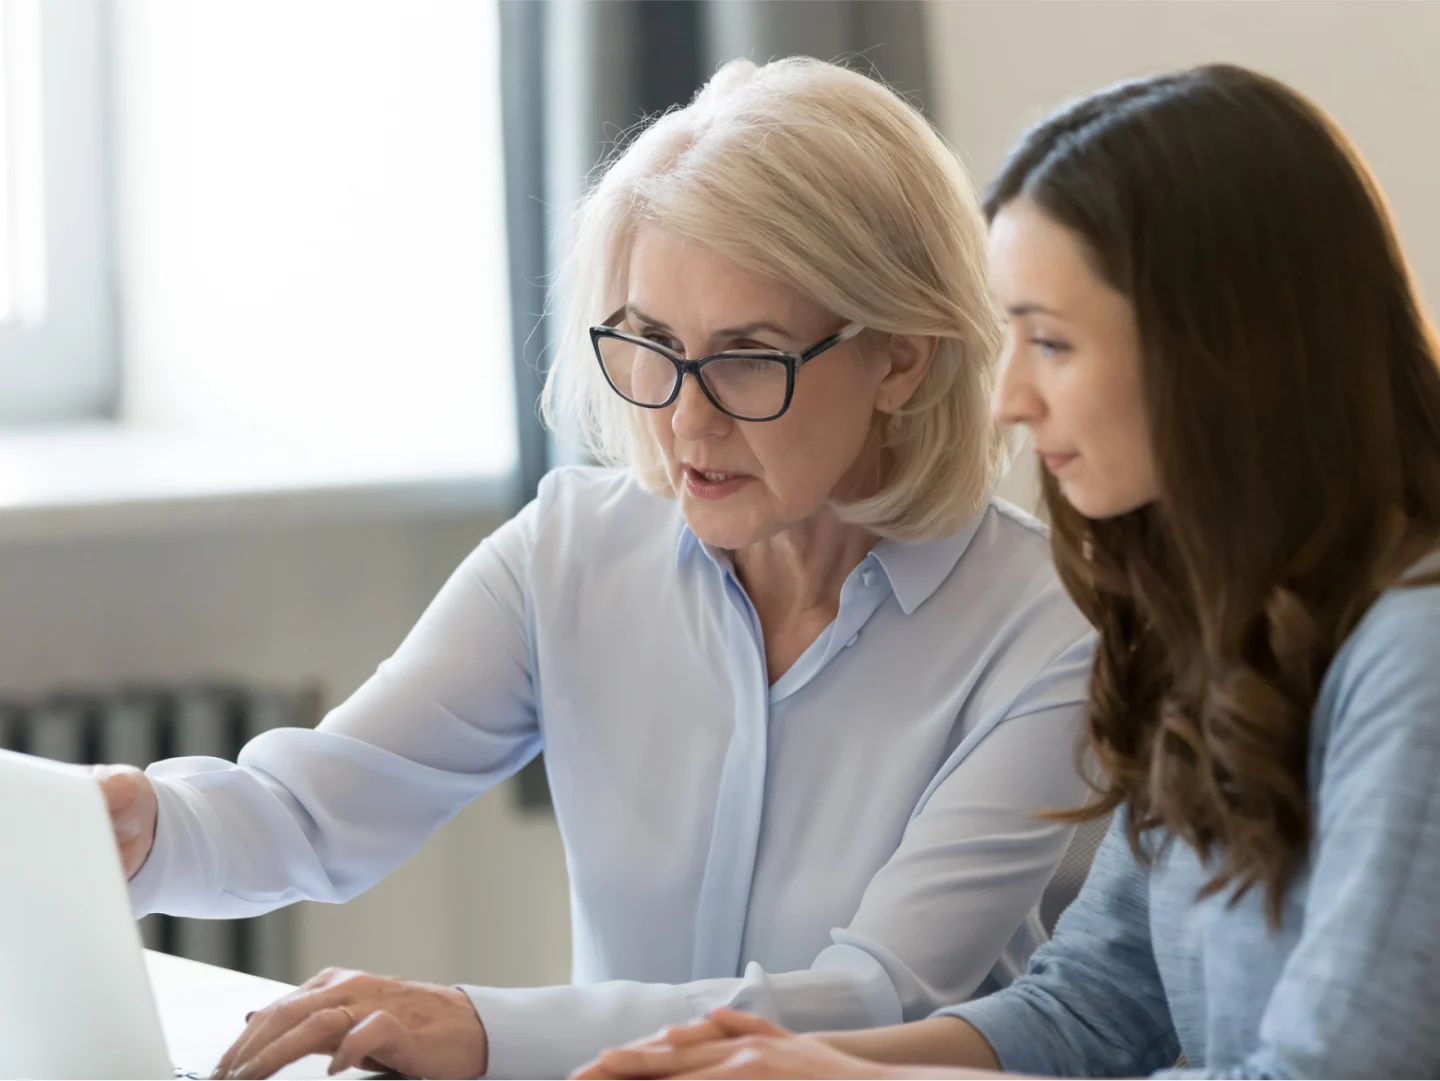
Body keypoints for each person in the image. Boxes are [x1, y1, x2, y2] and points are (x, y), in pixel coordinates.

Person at [93, 57, 1095, 1081]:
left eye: (747, 356)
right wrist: (141, 823)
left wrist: (483, 1029)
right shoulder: (574, 550)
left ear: (902, 357)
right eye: (652, 344)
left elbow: (878, 994)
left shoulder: (1049, 632)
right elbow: (317, 805)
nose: (683, 419)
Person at [581, 62, 1440, 1081]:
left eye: (1052, 342)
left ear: (1221, 354)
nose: (1009, 399)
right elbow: (1090, 1009)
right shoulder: (1212, 637)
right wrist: (783, 1060)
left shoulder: (1414, 646)